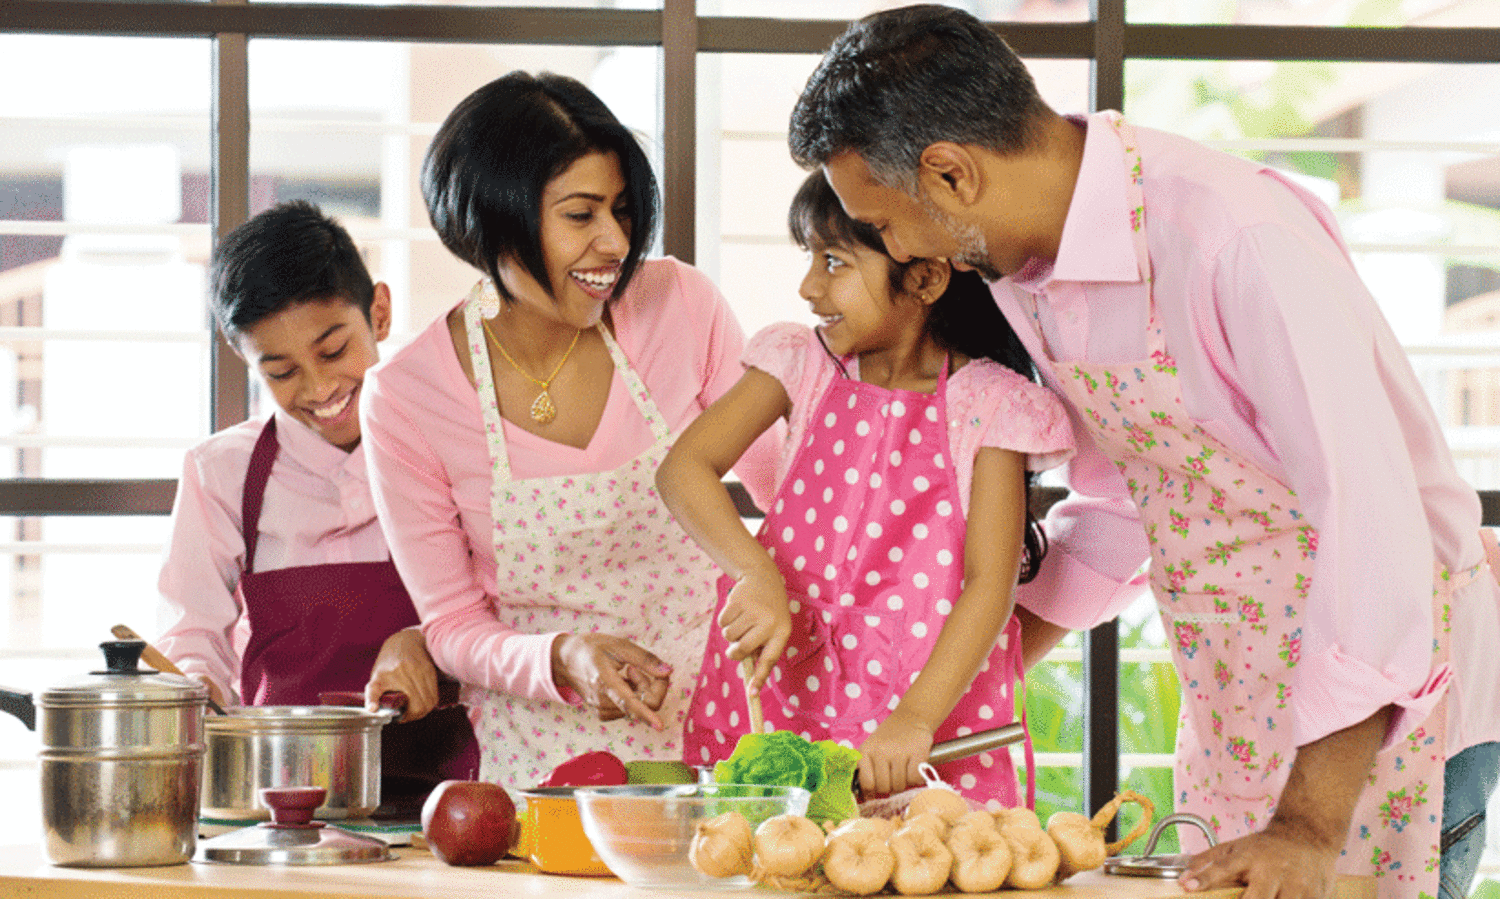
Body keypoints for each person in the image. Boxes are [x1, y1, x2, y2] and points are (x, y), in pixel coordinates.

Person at [788, 5, 1500, 898]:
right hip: (1239, 693)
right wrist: (943, 687)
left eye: (882, 225)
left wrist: (1309, 825)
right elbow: (1126, 504)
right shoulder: (1025, 270)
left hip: (1382, 715)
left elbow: (1376, 526)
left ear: (950, 172)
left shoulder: (1236, 240)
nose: (898, 253)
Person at [361, 71, 780, 789]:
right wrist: (564, 657)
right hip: (538, 761)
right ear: (493, 219)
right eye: (580, 215)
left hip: (721, 730)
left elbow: (791, 494)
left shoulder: (681, 305)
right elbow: (453, 624)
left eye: (620, 210)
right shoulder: (406, 396)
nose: (615, 242)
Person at [657, 172, 1073, 804]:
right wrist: (756, 573)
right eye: (810, 259)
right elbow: (683, 469)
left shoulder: (992, 405)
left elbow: (991, 583)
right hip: (782, 690)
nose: (809, 287)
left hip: (920, 716)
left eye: (834, 262)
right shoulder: (800, 362)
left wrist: (916, 719)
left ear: (927, 278)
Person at [155, 200, 478, 814]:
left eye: (333, 351)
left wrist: (424, 640)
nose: (319, 389)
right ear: (247, 364)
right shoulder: (220, 473)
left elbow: (504, 599)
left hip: (455, 792)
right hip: (285, 796)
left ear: (378, 312)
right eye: (281, 373)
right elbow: (194, 630)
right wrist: (197, 685)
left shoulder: (454, 442)